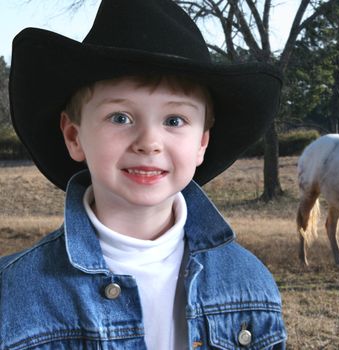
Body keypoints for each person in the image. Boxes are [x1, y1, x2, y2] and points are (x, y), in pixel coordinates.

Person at [0, 0, 287, 349]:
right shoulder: (13, 295)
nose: (149, 142)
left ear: (201, 144)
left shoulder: (250, 285)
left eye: (174, 120)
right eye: (120, 117)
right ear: (74, 137)